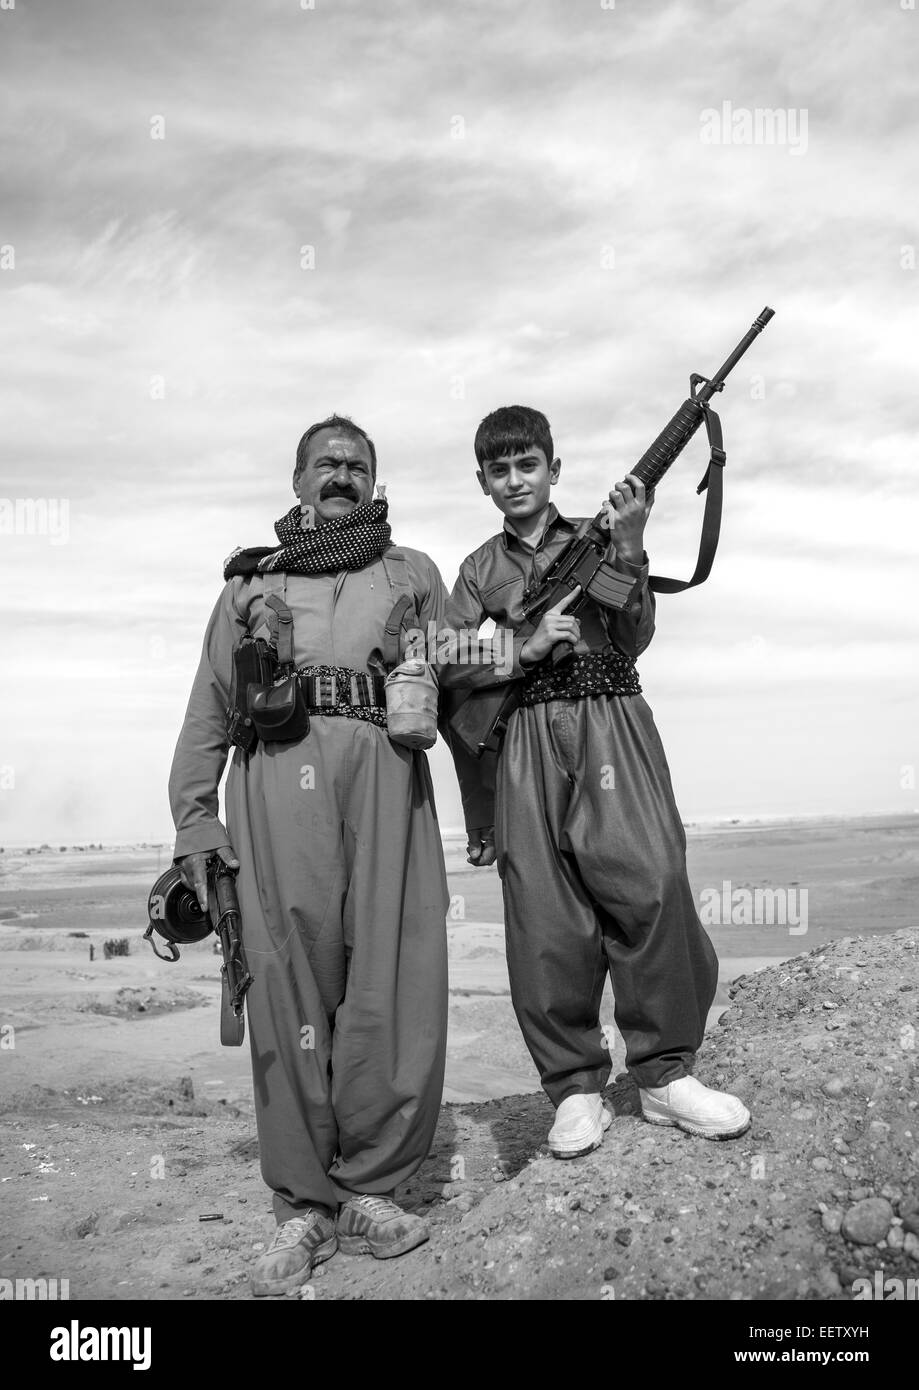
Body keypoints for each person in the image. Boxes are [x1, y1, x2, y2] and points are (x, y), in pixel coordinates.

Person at [168, 415, 454, 1295]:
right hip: (274, 794)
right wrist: (195, 823)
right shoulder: (250, 583)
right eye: (325, 463)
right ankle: (303, 1205)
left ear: (373, 481)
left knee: (392, 983)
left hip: (388, 787)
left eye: (356, 464)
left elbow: (467, 688)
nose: (341, 474)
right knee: (287, 981)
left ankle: (371, 1189)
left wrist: (494, 808)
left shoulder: (413, 574)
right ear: (297, 480)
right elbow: (210, 711)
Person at [441, 404, 750, 1159]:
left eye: (527, 465)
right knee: (546, 916)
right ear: (482, 482)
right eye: (499, 470)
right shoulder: (478, 569)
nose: (515, 480)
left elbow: (636, 631)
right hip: (525, 741)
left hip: (612, 715)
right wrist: (520, 647)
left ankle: (664, 1075)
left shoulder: (604, 533)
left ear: (553, 468)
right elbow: (439, 655)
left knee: (652, 881)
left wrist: (633, 541)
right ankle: (576, 1090)